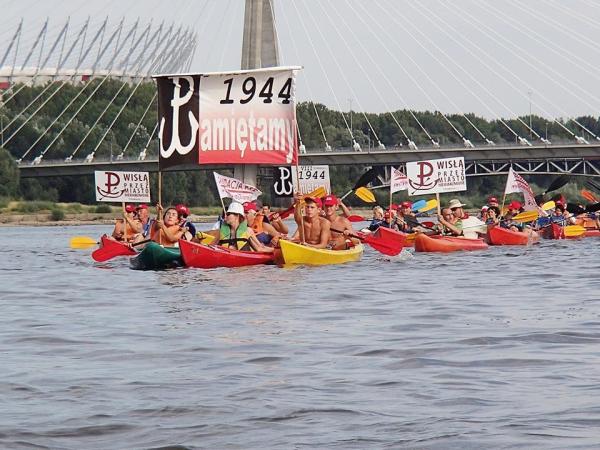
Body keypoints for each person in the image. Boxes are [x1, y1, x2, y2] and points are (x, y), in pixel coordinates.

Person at [198, 202, 274, 252]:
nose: (225, 216)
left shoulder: (247, 231)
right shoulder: (222, 231)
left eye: (228, 214)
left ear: (237, 216)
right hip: (227, 267)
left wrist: (275, 250)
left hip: (244, 269)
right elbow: (212, 247)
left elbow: (259, 248)